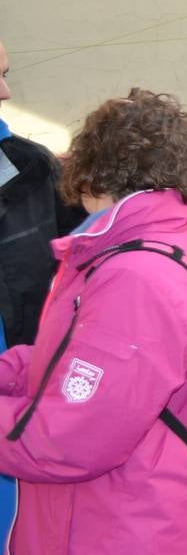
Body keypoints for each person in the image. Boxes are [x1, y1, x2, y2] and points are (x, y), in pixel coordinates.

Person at [0, 89, 187, 555]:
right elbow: (74, 362)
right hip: (114, 532)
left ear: (91, 169)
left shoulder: (131, 274)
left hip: (110, 550)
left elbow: (69, 439)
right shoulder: (139, 248)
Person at [0, 39, 83, 348]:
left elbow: (89, 251)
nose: (5, 92)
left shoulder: (34, 165)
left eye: (5, 74)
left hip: (24, 376)